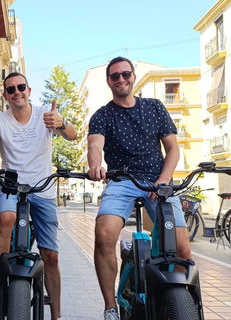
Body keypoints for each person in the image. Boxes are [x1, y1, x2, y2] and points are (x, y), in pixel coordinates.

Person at [0, 72, 77, 320]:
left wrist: (61, 123)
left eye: (21, 87)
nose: (17, 92)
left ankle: (56, 316)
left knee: (51, 256)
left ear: (29, 90)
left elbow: (73, 134)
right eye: (11, 89)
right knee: (5, 219)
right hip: (12, 183)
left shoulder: (45, 113)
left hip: (43, 187)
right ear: (5, 95)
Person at [86, 56, 191, 320]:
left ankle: (178, 305)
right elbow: (94, 146)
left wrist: (164, 179)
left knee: (182, 249)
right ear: (108, 81)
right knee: (104, 235)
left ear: (133, 76)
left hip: (158, 179)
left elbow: (173, 149)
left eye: (125, 74)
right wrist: (95, 165)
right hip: (121, 181)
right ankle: (110, 307)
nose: (121, 79)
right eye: (114, 76)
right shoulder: (102, 115)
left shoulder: (155, 107)